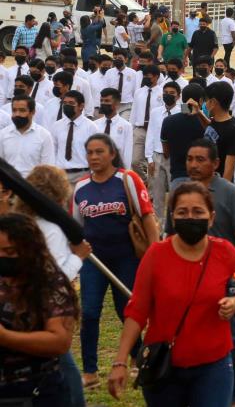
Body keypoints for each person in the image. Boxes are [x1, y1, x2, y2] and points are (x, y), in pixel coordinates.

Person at [107, 182, 235, 406]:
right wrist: (120, 362)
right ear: (173, 218)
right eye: (182, 212)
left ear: (211, 217)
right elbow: (137, 311)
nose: (190, 218)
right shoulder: (156, 255)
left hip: (213, 367)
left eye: (198, 212)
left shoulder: (225, 252)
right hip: (164, 368)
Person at [72, 134, 158, 388]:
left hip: (126, 257)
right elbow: (76, 227)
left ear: (112, 154)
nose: (94, 157)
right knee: (89, 312)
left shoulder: (128, 179)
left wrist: (155, 253)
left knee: (128, 310)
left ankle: (137, 357)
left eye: (100, 152)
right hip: (94, 261)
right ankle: (90, 371)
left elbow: (147, 216)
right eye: (90, 152)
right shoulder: (81, 187)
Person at [181, 139, 235, 404]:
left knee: (230, 339)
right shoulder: (179, 188)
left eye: (200, 160)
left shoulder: (231, 193)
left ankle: (234, 395)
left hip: (222, 282)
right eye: (190, 159)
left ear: (216, 163)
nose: (194, 165)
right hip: (186, 279)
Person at [0, 213, 79, 406]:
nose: (2, 258)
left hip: (36, 392)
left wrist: (5, 337)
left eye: (10, 252)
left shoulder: (49, 283)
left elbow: (59, 341)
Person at [145, 81, 181, 222]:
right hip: (157, 155)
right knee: (157, 193)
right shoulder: (155, 112)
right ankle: (158, 226)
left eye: (172, 93)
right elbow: (151, 134)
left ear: (178, 96)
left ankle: (174, 224)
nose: (168, 95)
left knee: (175, 192)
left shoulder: (182, 113)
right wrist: (149, 158)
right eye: (166, 93)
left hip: (174, 156)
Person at [161, 84, 206, 187]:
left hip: (177, 176)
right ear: (200, 101)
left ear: (181, 98)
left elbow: (166, 152)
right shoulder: (204, 122)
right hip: (201, 176)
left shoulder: (168, 121)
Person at [50, 90, 99, 184]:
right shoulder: (56, 126)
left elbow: (94, 153)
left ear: (81, 106)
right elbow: (53, 151)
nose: (67, 105)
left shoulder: (91, 127)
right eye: (65, 103)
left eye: (71, 103)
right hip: (61, 175)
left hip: (83, 175)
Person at [0, 94, 54, 176]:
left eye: (22, 110)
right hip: (9, 186)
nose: (17, 114)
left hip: (32, 186)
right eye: (14, 110)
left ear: (32, 112)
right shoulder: (3, 134)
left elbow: (48, 169)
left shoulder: (44, 136)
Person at [204, 82, 235, 182]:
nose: (205, 104)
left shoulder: (234, 130)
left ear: (213, 102)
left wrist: (222, 193)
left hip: (217, 185)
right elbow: (214, 129)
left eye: (207, 100)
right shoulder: (215, 121)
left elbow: (229, 169)